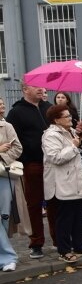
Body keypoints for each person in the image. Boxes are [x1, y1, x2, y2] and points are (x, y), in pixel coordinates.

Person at [6, 83, 57, 259]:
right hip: (32, 164)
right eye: (35, 86)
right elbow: (14, 140)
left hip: (53, 163)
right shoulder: (16, 112)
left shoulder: (48, 107)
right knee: (34, 205)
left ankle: (59, 240)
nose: (40, 89)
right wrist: (25, 160)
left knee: (55, 202)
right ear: (25, 89)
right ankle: (36, 243)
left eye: (41, 86)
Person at [42, 104, 82, 263]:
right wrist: (73, 145)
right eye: (66, 116)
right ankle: (64, 249)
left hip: (77, 181)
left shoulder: (72, 132)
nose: (70, 118)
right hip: (62, 183)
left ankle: (80, 245)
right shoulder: (50, 135)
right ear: (56, 120)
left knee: (79, 216)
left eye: (69, 115)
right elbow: (55, 158)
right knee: (65, 218)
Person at [0, 98, 23, 272]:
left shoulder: (6, 126)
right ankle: (8, 256)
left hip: (3, 174)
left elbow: (17, 148)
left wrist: (2, 159)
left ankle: (6, 257)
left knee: (4, 217)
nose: (1, 106)